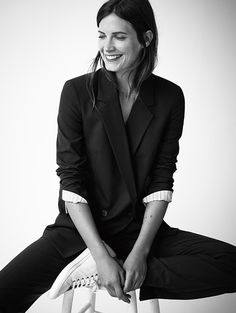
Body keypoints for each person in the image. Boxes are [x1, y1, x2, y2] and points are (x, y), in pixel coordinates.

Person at [0, 0, 236, 312]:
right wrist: (99, 255)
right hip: (80, 232)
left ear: (146, 39)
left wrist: (140, 256)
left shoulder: (169, 97)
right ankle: (103, 264)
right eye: (101, 35)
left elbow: (162, 179)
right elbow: (70, 180)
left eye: (119, 37)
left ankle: (141, 273)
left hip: (137, 230)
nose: (107, 47)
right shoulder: (77, 92)